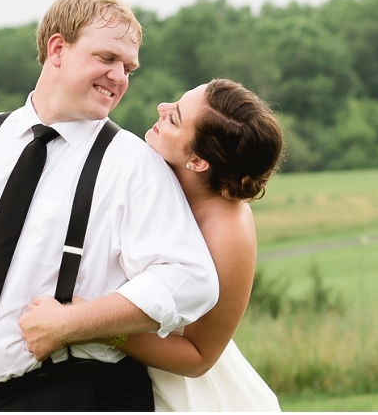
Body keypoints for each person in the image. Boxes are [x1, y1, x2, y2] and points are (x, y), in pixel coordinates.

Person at [0, 0, 219, 411]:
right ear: (57, 48)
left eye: (128, 68)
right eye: (107, 58)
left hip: (85, 394)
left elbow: (191, 280)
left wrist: (74, 322)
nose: (120, 77)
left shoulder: (134, 163)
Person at [19, 78, 285, 411]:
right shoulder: (144, 171)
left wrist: (93, 326)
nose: (161, 108)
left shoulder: (229, 229)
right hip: (103, 381)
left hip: (182, 393)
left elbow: (199, 357)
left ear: (198, 162)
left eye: (174, 117)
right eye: (175, 103)